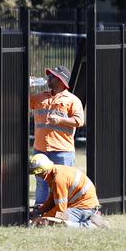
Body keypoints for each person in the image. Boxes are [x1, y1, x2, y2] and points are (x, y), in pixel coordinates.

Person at [28, 65, 86, 210]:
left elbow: (79, 121)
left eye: (52, 76)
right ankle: (40, 211)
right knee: (41, 182)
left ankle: (61, 211)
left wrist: (60, 120)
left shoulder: (72, 100)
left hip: (62, 151)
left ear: (60, 80)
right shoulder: (40, 97)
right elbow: (22, 102)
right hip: (40, 150)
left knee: (62, 183)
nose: (49, 78)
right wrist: (26, 85)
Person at [28, 154, 108, 229]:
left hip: (84, 208)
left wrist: (43, 218)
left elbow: (60, 210)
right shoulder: (54, 172)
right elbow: (52, 200)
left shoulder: (58, 180)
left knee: (56, 222)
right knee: (52, 217)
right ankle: (90, 217)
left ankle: (92, 225)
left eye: (38, 174)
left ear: (45, 171)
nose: (37, 176)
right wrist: (41, 210)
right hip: (83, 206)